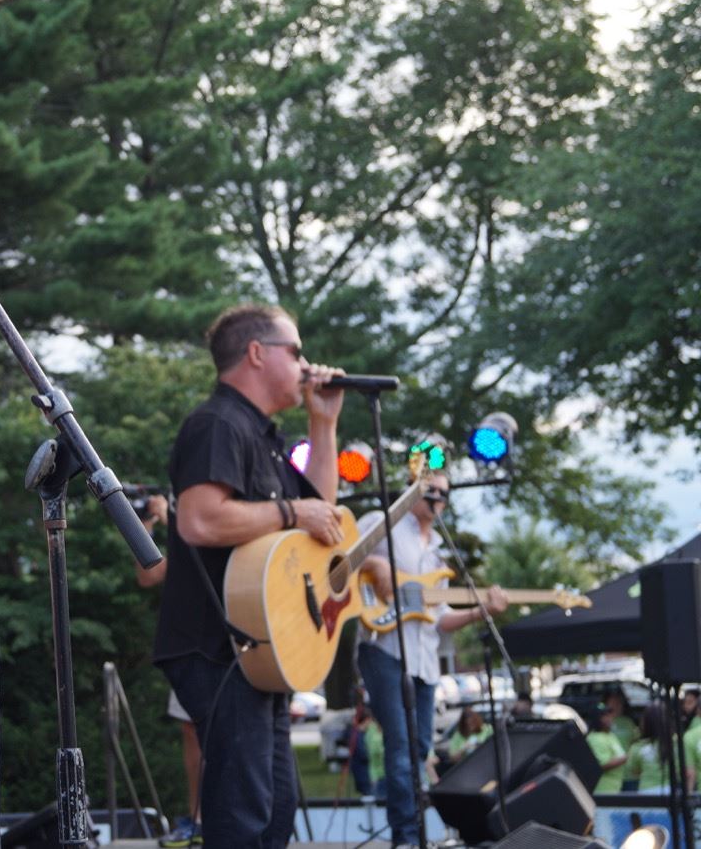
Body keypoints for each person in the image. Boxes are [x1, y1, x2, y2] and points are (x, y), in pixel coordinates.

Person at [155, 303, 348, 847]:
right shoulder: (217, 423)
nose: (307, 363)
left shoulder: (264, 435)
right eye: (297, 350)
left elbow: (322, 519)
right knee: (242, 810)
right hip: (215, 646)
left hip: (258, 649)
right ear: (258, 353)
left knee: (275, 807)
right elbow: (198, 519)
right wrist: (292, 513)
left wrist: (323, 423)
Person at [355, 471, 507, 847]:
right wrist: (377, 567)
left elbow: (441, 620)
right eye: (430, 490)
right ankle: (406, 837)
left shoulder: (438, 550)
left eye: (444, 493)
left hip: (424, 661)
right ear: (411, 490)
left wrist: (482, 611)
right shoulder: (382, 522)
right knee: (400, 747)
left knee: (420, 748)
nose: (437, 497)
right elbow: (343, 559)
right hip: (383, 647)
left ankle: (414, 833)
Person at [132, 493, 202, 848]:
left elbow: (200, 546)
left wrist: (171, 516)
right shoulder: (180, 524)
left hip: (225, 641)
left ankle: (223, 816)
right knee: (191, 730)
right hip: (190, 643)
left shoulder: (199, 517)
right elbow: (149, 576)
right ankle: (198, 820)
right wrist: (144, 525)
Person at [625, 702, 670, 793]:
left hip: (646, 793)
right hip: (671, 792)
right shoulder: (675, 745)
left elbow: (634, 771)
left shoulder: (637, 747)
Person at [588, 703, 628, 793]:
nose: (609, 718)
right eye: (604, 716)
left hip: (615, 787)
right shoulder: (595, 738)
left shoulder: (610, 735)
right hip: (604, 790)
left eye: (609, 714)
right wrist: (627, 757)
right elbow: (603, 764)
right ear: (596, 719)